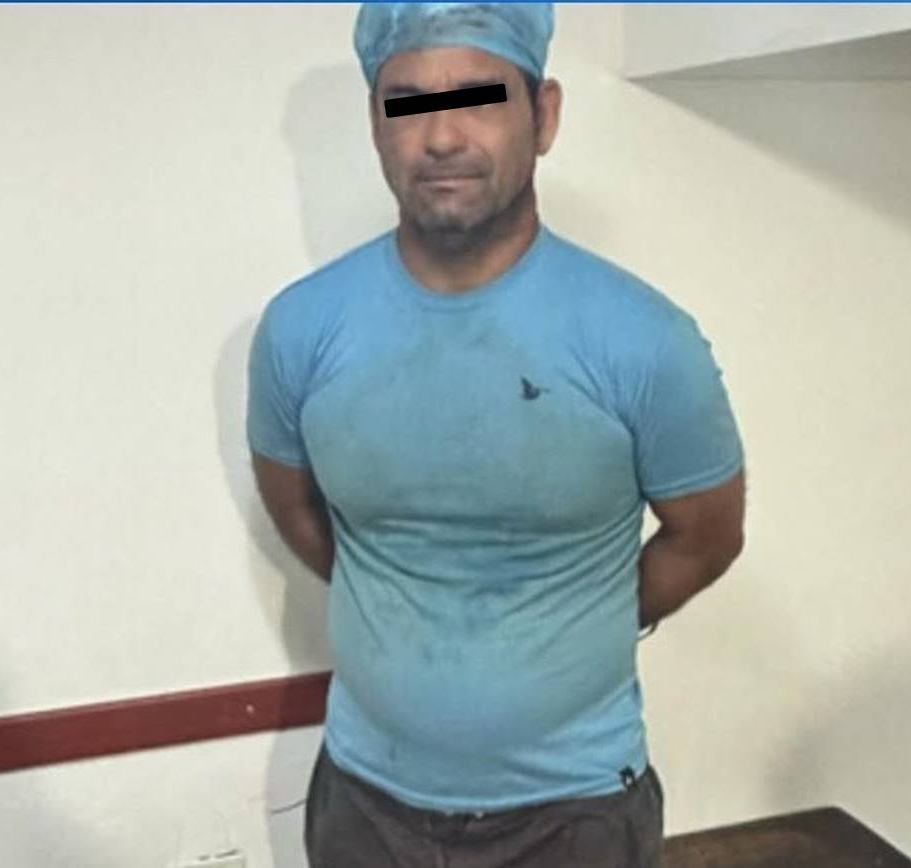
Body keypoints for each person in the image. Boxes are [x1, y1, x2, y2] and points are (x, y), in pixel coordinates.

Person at [247, 4, 747, 866]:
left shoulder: (643, 341)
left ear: (543, 116)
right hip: (363, 805)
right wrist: (404, 604)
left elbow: (707, 538)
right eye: (407, 104)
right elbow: (296, 512)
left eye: (479, 99)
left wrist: (581, 621)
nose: (442, 136)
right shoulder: (301, 331)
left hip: (575, 813)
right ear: (376, 126)